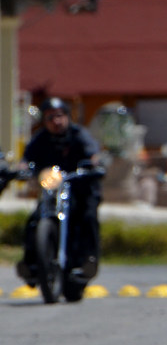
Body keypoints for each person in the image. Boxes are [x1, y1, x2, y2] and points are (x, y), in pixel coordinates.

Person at [16, 97, 102, 283]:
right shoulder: (40, 139)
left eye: (59, 116)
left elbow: (93, 153)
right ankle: (31, 264)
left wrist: (95, 163)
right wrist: (22, 168)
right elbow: (26, 159)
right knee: (34, 220)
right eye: (49, 118)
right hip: (54, 192)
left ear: (67, 116)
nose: (56, 121)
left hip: (81, 188)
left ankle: (88, 260)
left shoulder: (79, 134)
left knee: (88, 217)